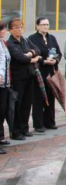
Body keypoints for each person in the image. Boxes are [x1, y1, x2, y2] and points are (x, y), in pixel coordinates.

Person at [6, 18, 40, 140]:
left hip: (30, 75)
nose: (19, 29)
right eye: (16, 27)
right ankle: (16, 131)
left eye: (21, 26)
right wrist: (31, 57)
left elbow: (38, 50)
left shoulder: (25, 40)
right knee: (17, 104)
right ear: (10, 30)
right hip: (18, 78)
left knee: (27, 103)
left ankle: (24, 128)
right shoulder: (10, 43)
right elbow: (20, 58)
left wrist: (30, 54)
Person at [28, 18, 62, 133]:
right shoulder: (32, 39)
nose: (45, 27)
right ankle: (38, 124)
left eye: (47, 24)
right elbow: (33, 55)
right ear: (37, 26)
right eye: (43, 25)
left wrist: (55, 60)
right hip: (39, 72)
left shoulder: (51, 38)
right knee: (38, 98)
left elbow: (58, 53)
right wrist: (43, 61)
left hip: (50, 72)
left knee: (50, 97)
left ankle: (50, 122)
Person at [0, 20, 11, 152]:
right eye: (3, 29)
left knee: (2, 110)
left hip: (4, 82)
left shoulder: (3, 43)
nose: (5, 31)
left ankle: (1, 136)